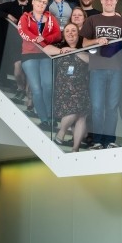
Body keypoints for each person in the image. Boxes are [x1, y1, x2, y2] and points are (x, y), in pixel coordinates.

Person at [81, 0, 122, 149]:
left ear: (116, 1)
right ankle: (97, 141)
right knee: (96, 107)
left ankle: (109, 141)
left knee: (112, 107)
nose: (109, 2)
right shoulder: (92, 19)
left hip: (117, 70)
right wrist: (97, 40)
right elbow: (84, 43)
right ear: (101, 0)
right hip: (97, 69)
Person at [17, 0, 61, 130]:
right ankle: (44, 120)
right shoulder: (25, 17)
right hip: (29, 55)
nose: (41, 4)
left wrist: (45, 39)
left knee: (48, 85)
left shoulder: (51, 18)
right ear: (33, 1)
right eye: (39, 1)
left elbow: (58, 35)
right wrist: (36, 39)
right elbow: (22, 31)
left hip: (46, 55)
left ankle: (50, 116)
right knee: (36, 89)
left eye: (44, 2)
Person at [51, 23, 89, 152]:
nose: (70, 33)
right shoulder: (59, 47)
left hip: (80, 87)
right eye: (67, 31)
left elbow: (90, 60)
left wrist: (74, 51)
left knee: (80, 114)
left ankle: (66, 139)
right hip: (63, 88)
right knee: (77, 114)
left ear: (78, 34)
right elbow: (45, 49)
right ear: (63, 34)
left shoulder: (84, 47)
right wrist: (61, 51)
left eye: (73, 30)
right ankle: (70, 143)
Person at [0, 0, 31, 92]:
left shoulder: (33, 8)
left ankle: (25, 91)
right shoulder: (9, 6)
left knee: (27, 71)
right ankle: (20, 88)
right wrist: (7, 15)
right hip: (13, 45)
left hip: (29, 45)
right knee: (17, 70)